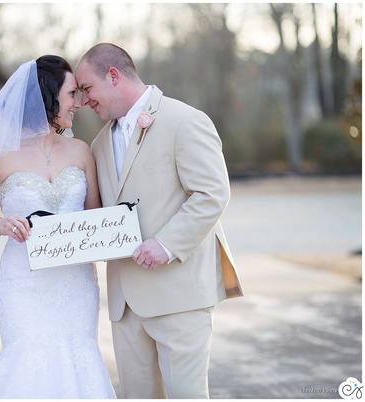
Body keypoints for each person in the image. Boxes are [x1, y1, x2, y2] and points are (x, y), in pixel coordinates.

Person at [74, 43, 243, 399]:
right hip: (124, 303)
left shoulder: (184, 120)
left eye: (87, 89)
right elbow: (100, 216)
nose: (84, 100)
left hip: (179, 294)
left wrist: (166, 244)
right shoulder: (100, 143)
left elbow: (212, 194)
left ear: (114, 76)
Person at [0, 55, 115, 398]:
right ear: (48, 95)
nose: (80, 102)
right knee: (27, 359)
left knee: (78, 357)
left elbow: (96, 217)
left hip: (76, 282)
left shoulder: (81, 152)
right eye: (72, 94)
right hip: (23, 281)